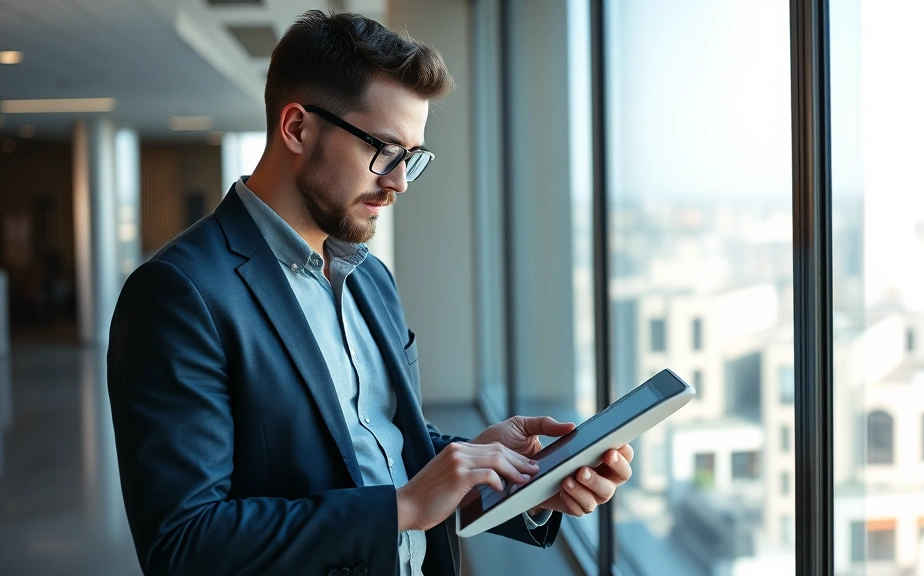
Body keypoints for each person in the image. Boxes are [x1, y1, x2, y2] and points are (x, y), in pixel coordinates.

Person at [106, 10, 633, 576]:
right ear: (297, 128)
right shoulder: (178, 294)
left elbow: (375, 442)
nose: (400, 180)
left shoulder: (369, 278)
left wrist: (510, 475)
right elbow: (184, 544)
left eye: (413, 157)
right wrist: (402, 507)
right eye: (384, 149)